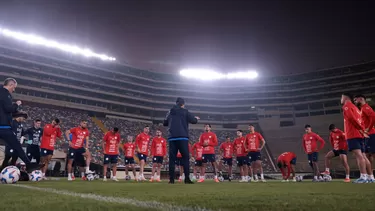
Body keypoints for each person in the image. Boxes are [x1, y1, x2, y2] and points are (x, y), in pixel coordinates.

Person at [0, 78, 42, 172]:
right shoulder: (5, 93)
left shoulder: (21, 126)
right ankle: (28, 165)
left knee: (15, 151)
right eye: (13, 87)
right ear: (10, 85)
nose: (13, 90)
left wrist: (27, 141)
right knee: (15, 150)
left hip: (5, 127)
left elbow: (23, 134)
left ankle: (28, 165)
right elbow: (8, 109)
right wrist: (16, 104)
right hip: (4, 127)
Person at [163, 97, 199, 184]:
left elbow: (165, 123)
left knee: (172, 159)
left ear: (176, 103)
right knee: (185, 158)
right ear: (183, 104)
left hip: (172, 137)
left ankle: (171, 180)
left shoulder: (170, 112)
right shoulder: (185, 111)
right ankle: (186, 178)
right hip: (182, 137)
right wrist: (196, 118)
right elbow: (193, 121)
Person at [342, 93, 371, 183]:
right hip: (359, 134)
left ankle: (363, 176)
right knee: (363, 156)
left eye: (341, 97)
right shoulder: (356, 108)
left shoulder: (347, 105)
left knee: (359, 155)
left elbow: (351, 118)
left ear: (345, 97)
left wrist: (361, 130)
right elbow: (361, 121)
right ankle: (371, 176)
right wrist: (362, 131)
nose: (341, 100)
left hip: (352, 134)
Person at [354, 94, 375, 182]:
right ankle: (370, 176)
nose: (355, 102)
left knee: (373, 154)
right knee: (366, 155)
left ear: (361, 99)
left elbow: (373, 116)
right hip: (366, 135)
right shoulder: (362, 109)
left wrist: (368, 129)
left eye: (356, 100)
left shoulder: (366, 107)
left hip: (371, 134)